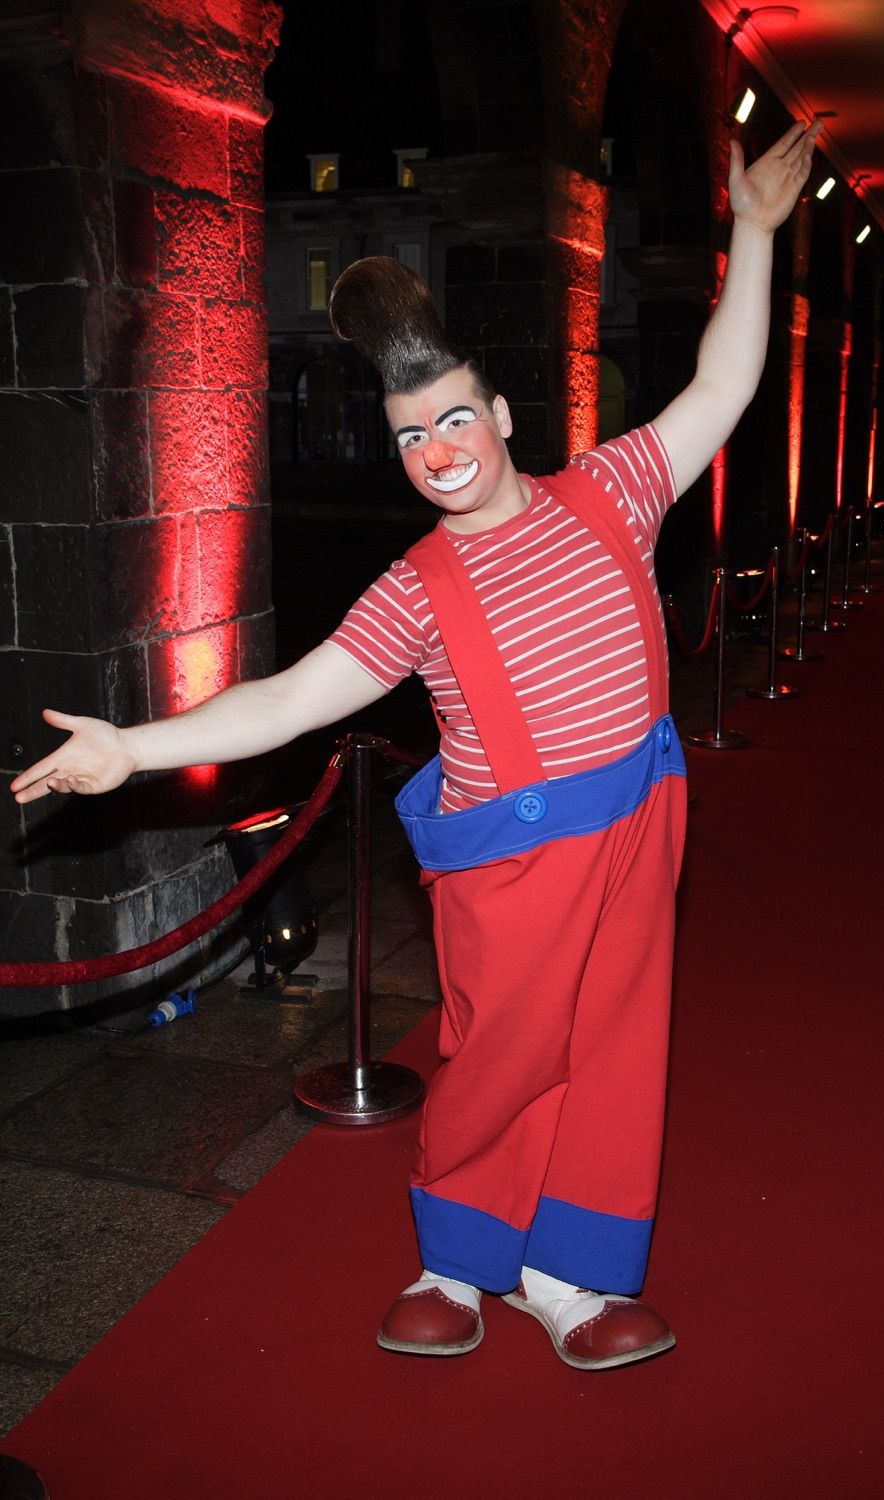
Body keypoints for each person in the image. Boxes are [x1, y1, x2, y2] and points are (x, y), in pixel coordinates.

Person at [11, 120, 820, 1370]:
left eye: (451, 421)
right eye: (410, 440)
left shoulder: (612, 488)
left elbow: (721, 385)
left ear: (498, 413)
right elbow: (286, 699)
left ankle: (570, 1278)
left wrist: (754, 236)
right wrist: (137, 747)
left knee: (614, 1052)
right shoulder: (408, 591)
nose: (436, 453)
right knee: (501, 1056)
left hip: (639, 821)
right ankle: (454, 1257)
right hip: (511, 858)